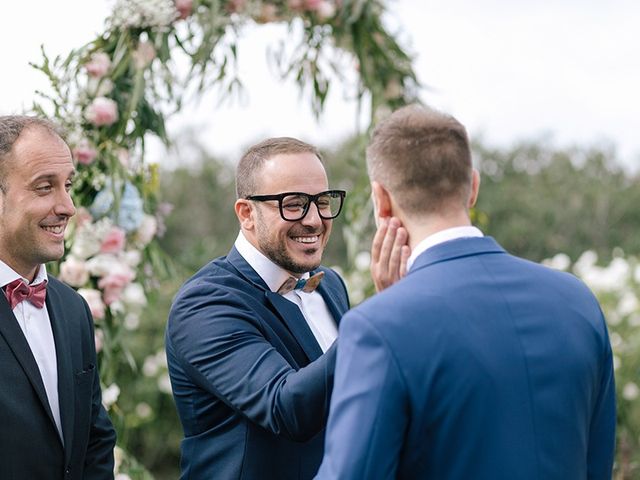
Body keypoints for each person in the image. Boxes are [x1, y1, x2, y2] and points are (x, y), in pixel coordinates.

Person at [316, 105, 616, 480]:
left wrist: (391, 304)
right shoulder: (577, 300)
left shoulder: (378, 327)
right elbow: (597, 462)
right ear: (473, 186)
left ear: (382, 200)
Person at [167, 137, 355, 479]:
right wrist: (380, 317)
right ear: (246, 213)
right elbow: (287, 407)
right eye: (294, 204)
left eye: (323, 201)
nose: (314, 220)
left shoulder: (331, 285)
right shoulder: (205, 303)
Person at [0, 115, 116, 479]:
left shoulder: (73, 308)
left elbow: (96, 439)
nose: (67, 206)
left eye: (67, 185)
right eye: (44, 187)